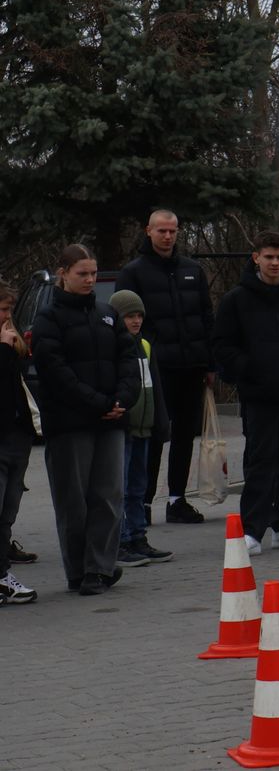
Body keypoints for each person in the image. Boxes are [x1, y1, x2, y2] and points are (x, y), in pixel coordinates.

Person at [32, 244, 140, 595]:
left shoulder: (107, 314)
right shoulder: (48, 319)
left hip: (111, 421)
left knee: (108, 497)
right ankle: (78, 569)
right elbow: (55, 372)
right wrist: (96, 403)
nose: (90, 280)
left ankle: (100, 567)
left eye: (93, 273)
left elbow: (128, 360)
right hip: (70, 424)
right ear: (63, 273)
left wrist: (122, 399)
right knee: (73, 501)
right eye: (82, 274)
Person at [211, 231, 279, 555]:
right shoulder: (237, 300)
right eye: (269, 257)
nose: (275, 263)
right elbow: (222, 345)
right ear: (256, 258)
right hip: (259, 395)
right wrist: (249, 369)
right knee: (261, 461)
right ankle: (252, 530)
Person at [115, 208, 215, 525]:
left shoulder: (192, 270)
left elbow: (206, 316)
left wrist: (210, 362)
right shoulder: (133, 273)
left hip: (192, 365)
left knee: (185, 434)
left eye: (172, 230)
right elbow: (124, 325)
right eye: (161, 230)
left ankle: (177, 500)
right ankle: (142, 503)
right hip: (155, 369)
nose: (168, 236)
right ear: (149, 231)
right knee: (155, 434)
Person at [107, 290, 174, 568]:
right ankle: (121, 540)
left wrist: (161, 421)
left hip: (144, 427)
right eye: (129, 316)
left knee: (138, 487)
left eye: (139, 316)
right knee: (120, 488)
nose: (135, 321)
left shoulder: (145, 345)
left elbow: (155, 387)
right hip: (125, 426)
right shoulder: (111, 346)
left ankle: (137, 536)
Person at [0, 283, 39, 603]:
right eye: (2, 309)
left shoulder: (11, 342)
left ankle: (2, 575)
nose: (7, 316)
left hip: (16, 435)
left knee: (7, 512)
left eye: (9, 309)